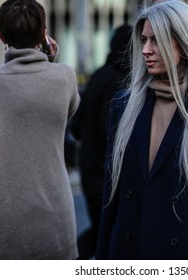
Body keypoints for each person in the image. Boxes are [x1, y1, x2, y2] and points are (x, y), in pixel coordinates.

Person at [95, 0, 188, 260]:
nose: (146, 50)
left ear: (184, 44)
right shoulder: (123, 106)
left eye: (156, 40)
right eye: (143, 40)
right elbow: (112, 199)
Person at [0, 0, 80, 259]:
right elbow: (69, 106)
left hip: (6, 237)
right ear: (44, 33)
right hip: (58, 229)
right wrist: (50, 56)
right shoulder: (64, 77)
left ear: (1, 36)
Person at [72, 24, 133, 260]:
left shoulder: (99, 74)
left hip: (90, 168)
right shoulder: (118, 81)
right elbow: (111, 131)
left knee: (104, 232)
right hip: (104, 174)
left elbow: (77, 124)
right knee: (106, 234)